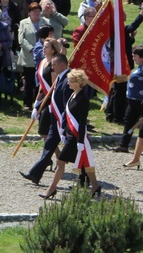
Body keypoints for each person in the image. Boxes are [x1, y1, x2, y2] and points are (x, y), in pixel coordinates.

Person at [39, 68, 101, 199]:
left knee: (60, 162)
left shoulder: (83, 98)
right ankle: (95, 186)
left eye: (71, 81)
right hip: (69, 135)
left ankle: (51, 189)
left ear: (79, 82)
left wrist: (79, 141)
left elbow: (82, 122)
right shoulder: (73, 95)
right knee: (85, 162)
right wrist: (63, 132)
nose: (68, 83)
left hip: (76, 137)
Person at [21, 53, 71, 185]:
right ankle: (35, 174)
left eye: (54, 65)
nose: (52, 68)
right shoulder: (61, 77)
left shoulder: (68, 79)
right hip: (56, 120)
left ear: (62, 64)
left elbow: (67, 104)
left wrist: (65, 124)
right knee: (48, 146)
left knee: (76, 152)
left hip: (64, 122)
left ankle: (87, 177)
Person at [113, 47, 143, 153]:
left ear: (142, 57)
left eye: (135, 56)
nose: (133, 58)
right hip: (132, 100)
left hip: (141, 101)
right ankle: (124, 144)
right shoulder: (140, 67)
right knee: (128, 122)